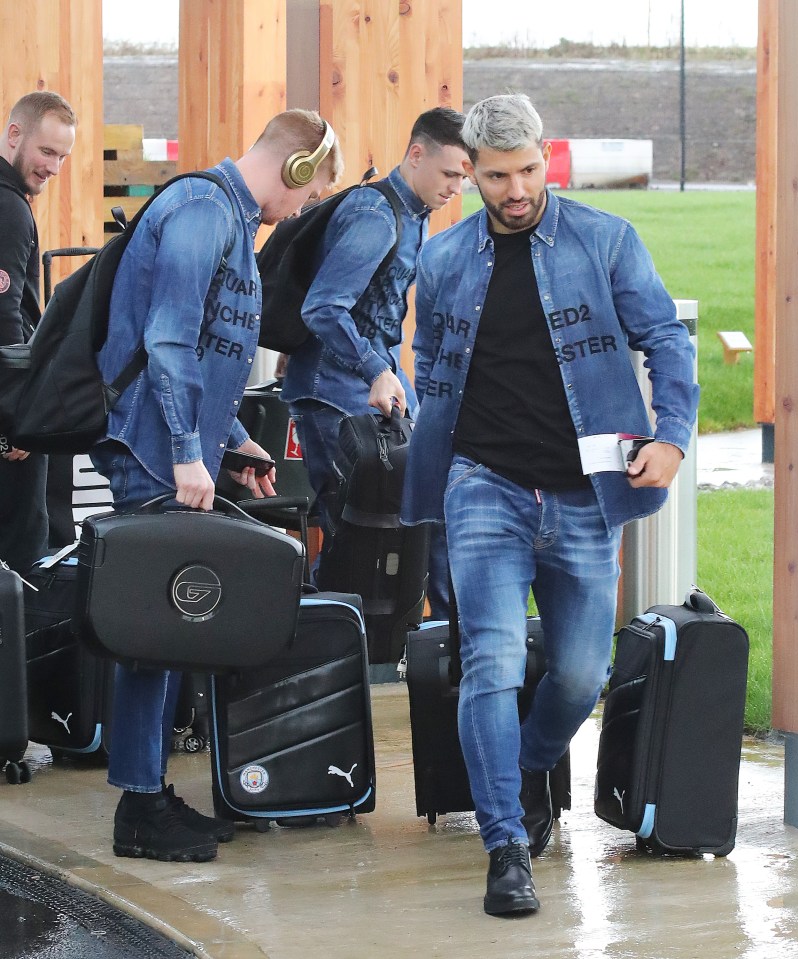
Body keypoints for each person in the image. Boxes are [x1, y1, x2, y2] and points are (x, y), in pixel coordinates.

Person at [401, 94, 699, 916]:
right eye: (497, 176)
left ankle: (530, 762)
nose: (517, 187)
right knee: (490, 663)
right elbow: (432, 363)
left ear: (545, 156)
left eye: (528, 168)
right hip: (482, 486)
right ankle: (505, 844)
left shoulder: (606, 241)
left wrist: (671, 433)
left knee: (580, 672)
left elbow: (666, 337)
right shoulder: (446, 258)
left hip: (583, 494)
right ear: (473, 174)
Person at [90, 109, 343, 863]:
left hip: (179, 451)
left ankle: (150, 789)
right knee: (155, 626)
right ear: (296, 169)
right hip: (153, 450)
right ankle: (137, 809)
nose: (299, 211)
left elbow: (207, 346)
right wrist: (184, 452)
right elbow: (167, 339)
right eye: (308, 194)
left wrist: (229, 442)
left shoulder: (231, 220)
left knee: (172, 626)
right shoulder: (202, 210)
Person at [281, 106, 469, 618]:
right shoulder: (376, 214)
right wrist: (375, 369)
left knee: (425, 507)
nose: (457, 187)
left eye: (465, 177)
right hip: (333, 388)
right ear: (416, 154)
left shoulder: (415, 215)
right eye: (451, 172)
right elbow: (323, 307)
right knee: (357, 531)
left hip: (369, 379)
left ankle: (453, 639)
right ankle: (335, 656)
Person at [0, 91, 77, 574]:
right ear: (14, 135)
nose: (54, 167)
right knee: (24, 564)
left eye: (63, 156)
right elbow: (6, 321)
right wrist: (17, 418)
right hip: (10, 423)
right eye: (47, 152)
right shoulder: (9, 210)